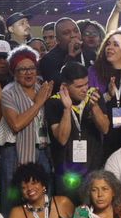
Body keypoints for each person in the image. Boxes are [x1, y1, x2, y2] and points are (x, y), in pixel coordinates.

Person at [0, 50, 52, 207]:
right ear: (14, 72)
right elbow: (16, 124)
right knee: (12, 198)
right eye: (22, 69)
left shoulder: (43, 88)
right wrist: (39, 103)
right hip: (14, 152)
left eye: (32, 68)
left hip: (42, 150)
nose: (28, 73)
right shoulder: (8, 92)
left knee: (43, 196)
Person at [45, 63, 107, 201]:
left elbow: (105, 128)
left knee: (90, 215)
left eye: (86, 84)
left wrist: (95, 107)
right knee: (68, 215)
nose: (85, 89)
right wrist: (67, 109)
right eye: (79, 86)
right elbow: (61, 138)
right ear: (65, 87)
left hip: (92, 169)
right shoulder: (54, 103)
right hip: (66, 173)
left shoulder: (94, 96)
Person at [6, 162, 74, 218]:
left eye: (34, 183)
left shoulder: (63, 203)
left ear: (43, 185)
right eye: (24, 187)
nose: (29, 188)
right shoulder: (17, 213)